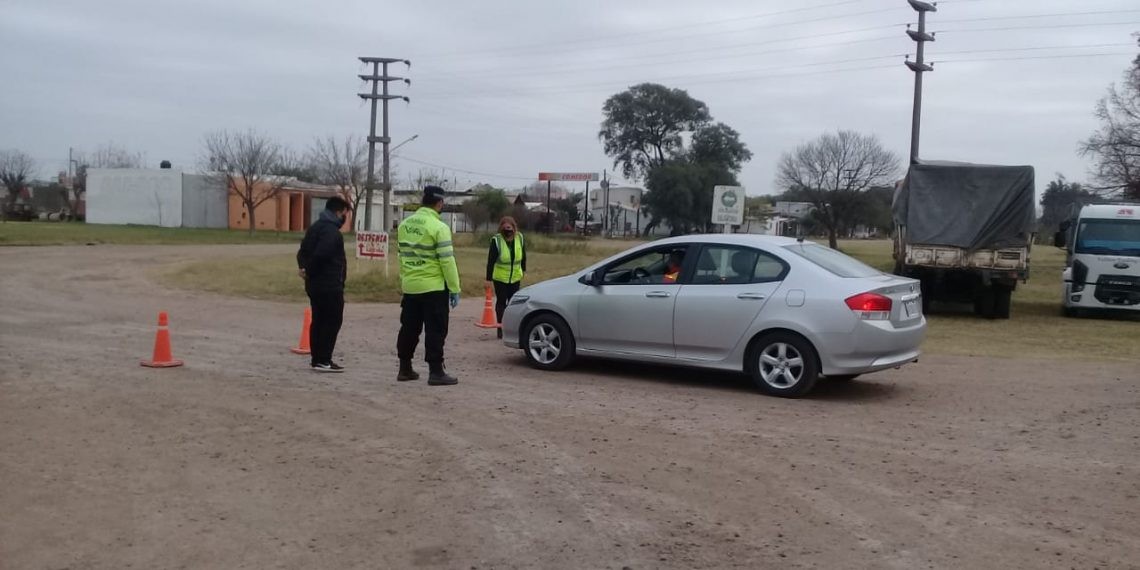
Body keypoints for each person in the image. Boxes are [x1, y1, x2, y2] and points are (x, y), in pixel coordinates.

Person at [396, 186, 461, 386]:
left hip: (410, 286)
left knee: (409, 328)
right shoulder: (439, 227)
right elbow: (447, 261)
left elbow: (401, 256)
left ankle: (405, 368)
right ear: (439, 203)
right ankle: (436, 371)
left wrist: (406, 280)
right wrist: (454, 288)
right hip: (433, 287)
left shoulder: (404, 225)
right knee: (436, 330)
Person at [296, 196, 350, 373]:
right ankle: (324, 359)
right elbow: (322, 254)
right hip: (329, 284)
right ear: (338, 212)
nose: (345, 218)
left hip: (314, 285)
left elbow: (302, 252)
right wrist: (309, 270)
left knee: (318, 320)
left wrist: (304, 269)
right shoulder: (331, 232)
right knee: (331, 321)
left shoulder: (315, 228)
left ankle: (317, 359)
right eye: (345, 214)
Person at [485, 216, 526, 339]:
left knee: (513, 303)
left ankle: (511, 327)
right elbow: (490, 261)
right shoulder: (496, 240)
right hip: (500, 278)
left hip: (515, 277)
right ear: (501, 229)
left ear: (514, 228)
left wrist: (523, 270)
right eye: (505, 229)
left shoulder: (520, 238)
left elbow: (523, 255)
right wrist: (488, 279)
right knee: (501, 302)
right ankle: (500, 327)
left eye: (510, 228)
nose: (508, 231)